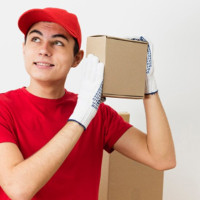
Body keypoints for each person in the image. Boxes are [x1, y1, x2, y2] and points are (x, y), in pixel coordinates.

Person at [0, 7, 176, 200]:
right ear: (23, 48)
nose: (44, 50)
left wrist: (149, 88)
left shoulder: (98, 113)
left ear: (77, 58)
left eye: (57, 42)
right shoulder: (4, 108)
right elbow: (18, 189)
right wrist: (81, 116)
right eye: (35, 39)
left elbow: (162, 158)